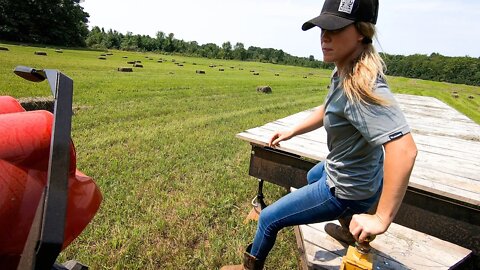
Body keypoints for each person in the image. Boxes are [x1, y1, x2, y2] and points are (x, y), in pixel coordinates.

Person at [221, 0, 417, 269]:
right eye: (322, 28)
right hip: (358, 176)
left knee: (268, 219)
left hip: (348, 190)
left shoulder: (362, 86)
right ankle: (349, 229)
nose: (324, 37)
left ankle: (248, 268)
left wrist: (381, 217)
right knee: (314, 174)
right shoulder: (345, 68)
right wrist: (292, 131)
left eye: (334, 29)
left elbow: (404, 150)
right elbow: (327, 108)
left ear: (361, 31)